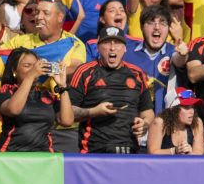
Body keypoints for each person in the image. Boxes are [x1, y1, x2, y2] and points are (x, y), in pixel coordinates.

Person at [66, 25, 155, 153]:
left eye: (118, 43)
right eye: (107, 43)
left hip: (129, 150)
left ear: (125, 48)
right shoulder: (84, 72)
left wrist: (144, 124)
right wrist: (93, 112)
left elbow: (147, 112)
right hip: (94, 150)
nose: (112, 48)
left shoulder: (137, 73)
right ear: (98, 47)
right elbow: (67, 113)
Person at [0, 47, 76, 151]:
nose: (34, 69)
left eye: (36, 66)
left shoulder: (46, 94)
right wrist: (31, 76)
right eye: (27, 66)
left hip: (43, 156)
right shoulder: (6, 90)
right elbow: (13, 110)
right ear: (14, 70)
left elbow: (67, 121)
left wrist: (63, 86)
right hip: (11, 155)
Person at [145, 87, 204, 155]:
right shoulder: (159, 123)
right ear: (173, 110)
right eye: (186, 107)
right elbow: (152, 152)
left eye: (192, 107)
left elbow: (199, 153)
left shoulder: (197, 122)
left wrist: (190, 153)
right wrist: (174, 151)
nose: (192, 112)